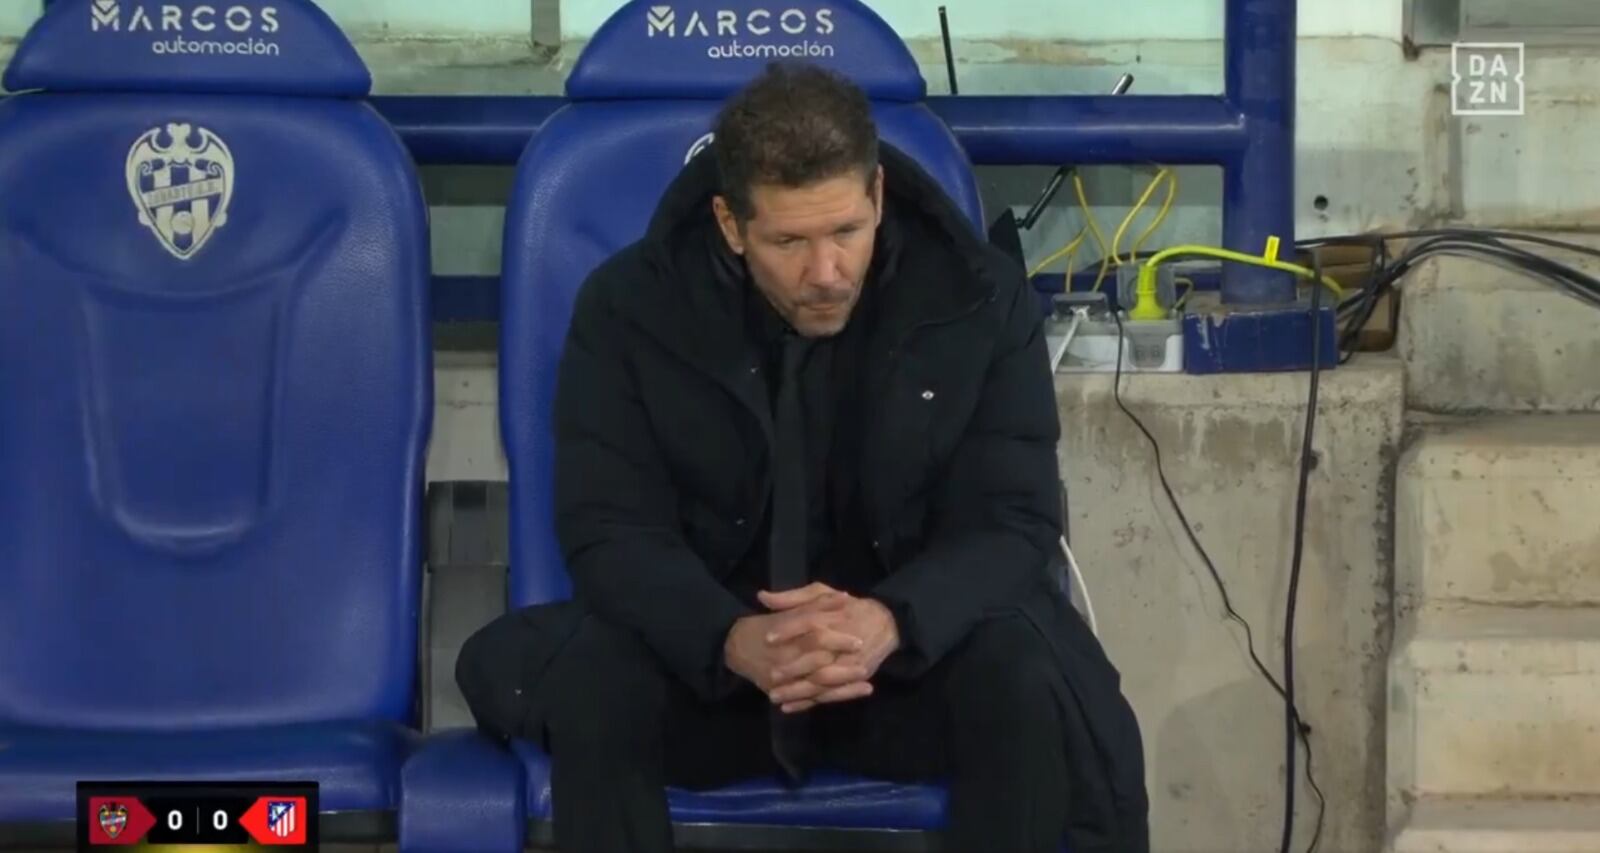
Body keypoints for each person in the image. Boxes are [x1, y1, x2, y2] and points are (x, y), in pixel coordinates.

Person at [456, 61, 1149, 853]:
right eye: (789, 241)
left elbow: (1013, 520)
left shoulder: (978, 297)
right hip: (711, 673)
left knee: (1028, 676)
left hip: (898, 670)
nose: (826, 273)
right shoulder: (629, 308)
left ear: (878, 197)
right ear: (730, 223)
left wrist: (892, 620)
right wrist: (731, 638)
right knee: (591, 683)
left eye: (846, 232)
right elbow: (607, 529)